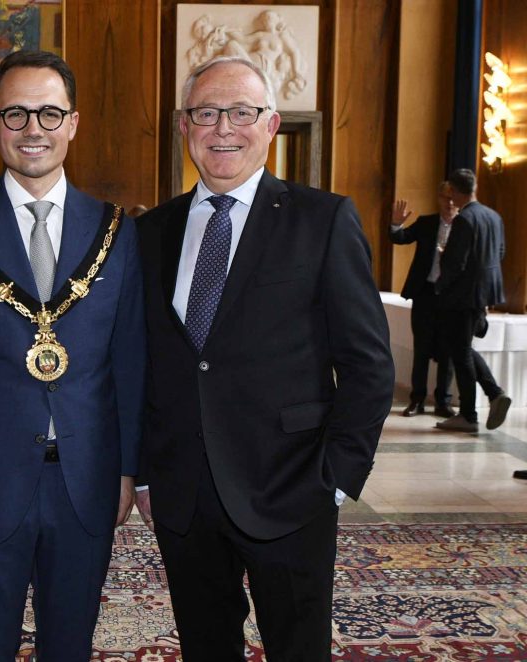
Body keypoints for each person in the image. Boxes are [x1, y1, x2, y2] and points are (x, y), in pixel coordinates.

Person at [134, 56, 393, 659]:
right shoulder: (150, 234)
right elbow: (144, 363)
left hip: (293, 488)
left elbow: (368, 364)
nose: (224, 128)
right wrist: (145, 470)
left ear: (272, 124)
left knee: (298, 649)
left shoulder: (323, 220)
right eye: (206, 113)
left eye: (242, 112)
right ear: (184, 126)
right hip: (185, 496)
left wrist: (336, 479)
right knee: (205, 647)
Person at [0, 50, 144, 661]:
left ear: (73, 123)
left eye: (48, 113)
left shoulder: (115, 232)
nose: (32, 128)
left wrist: (127, 470)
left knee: (71, 646)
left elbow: (129, 363)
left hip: (85, 479)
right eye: (15, 114)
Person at [434, 168, 511, 432]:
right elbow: (500, 252)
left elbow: (456, 262)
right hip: (483, 294)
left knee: (461, 353)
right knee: (463, 348)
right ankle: (493, 394)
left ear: (454, 191)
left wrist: (440, 285)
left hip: (462, 295)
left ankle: (469, 414)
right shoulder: (494, 216)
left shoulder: (465, 219)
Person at [389, 184, 457, 418]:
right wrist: (397, 223)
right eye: (445, 197)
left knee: (447, 350)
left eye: (453, 198)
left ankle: (443, 402)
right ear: (438, 198)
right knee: (422, 348)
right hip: (425, 293)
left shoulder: (466, 225)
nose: (449, 203)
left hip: (451, 296)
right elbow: (399, 238)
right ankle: (417, 400)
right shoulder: (427, 223)